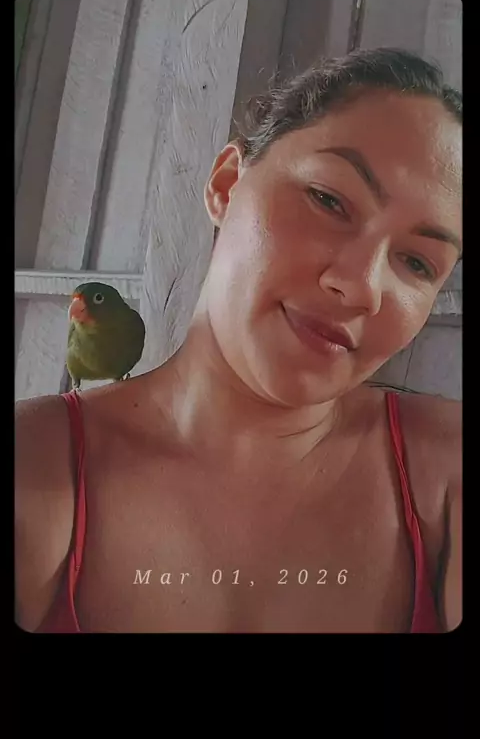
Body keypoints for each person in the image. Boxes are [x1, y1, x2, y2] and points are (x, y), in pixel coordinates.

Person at [15, 47, 462, 634]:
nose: (360, 286)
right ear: (227, 185)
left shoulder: (447, 473)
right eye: (329, 200)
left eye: (417, 262)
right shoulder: (35, 467)